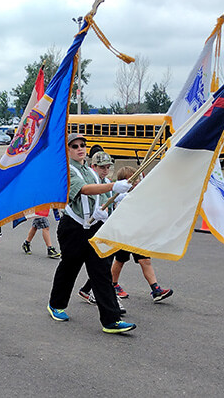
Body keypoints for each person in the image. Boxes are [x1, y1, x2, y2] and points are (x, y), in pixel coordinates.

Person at [47, 133, 137, 335]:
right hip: (73, 227)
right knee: (69, 268)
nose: (80, 148)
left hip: (94, 226)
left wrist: (111, 202)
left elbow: (104, 195)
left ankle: (111, 320)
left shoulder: (91, 171)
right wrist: (113, 185)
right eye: (74, 146)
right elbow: (85, 190)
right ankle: (56, 304)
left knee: (102, 271)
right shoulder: (65, 171)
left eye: (82, 145)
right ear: (67, 150)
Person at [107, 166, 174, 303]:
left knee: (145, 260)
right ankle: (113, 284)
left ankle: (156, 289)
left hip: (137, 235)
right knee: (120, 261)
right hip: (124, 235)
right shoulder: (121, 196)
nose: (136, 181)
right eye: (133, 179)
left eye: (137, 178)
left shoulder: (138, 193)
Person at [76, 152, 124, 314]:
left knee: (104, 265)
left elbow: (111, 204)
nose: (105, 170)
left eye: (108, 167)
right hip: (89, 229)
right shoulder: (89, 182)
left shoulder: (109, 183)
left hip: (106, 228)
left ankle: (87, 290)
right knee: (101, 266)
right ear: (93, 167)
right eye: (102, 167)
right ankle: (110, 301)